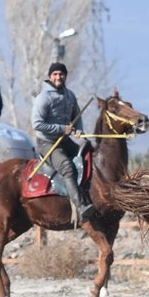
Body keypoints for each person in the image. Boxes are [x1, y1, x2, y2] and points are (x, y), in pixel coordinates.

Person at [31, 62, 95, 224]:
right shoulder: (43, 98)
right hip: (47, 143)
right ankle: (80, 206)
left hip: (65, 141)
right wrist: (61, 128)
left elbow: (77, 115)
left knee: (89, 155)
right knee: (67, 167)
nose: (58, 77)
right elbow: (37, 124)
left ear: (65, 76)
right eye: (55, 74)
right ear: (50, 76)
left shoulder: (70, 95)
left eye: (61, 74)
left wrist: (79, 129)